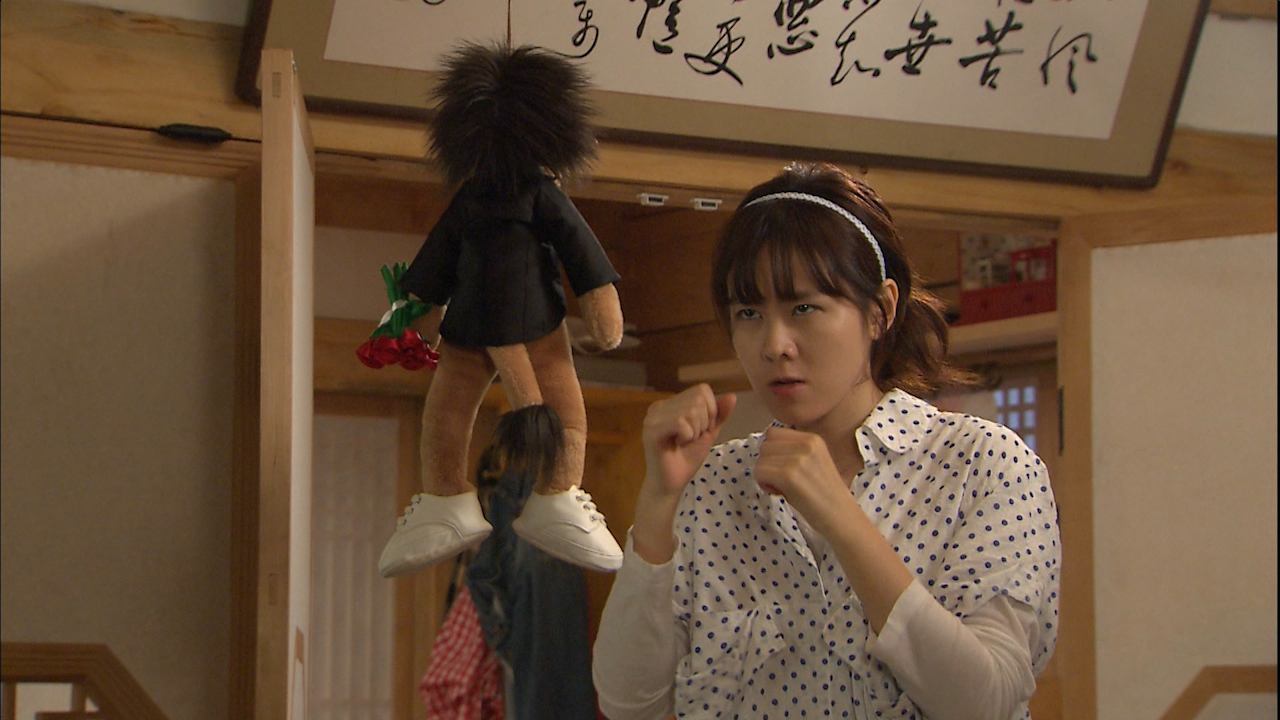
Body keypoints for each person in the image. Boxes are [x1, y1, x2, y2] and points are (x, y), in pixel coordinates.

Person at [592, 163, 1061, 719]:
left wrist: (840, 516)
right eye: (749, 312)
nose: (774, 344)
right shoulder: (713, 483)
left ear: (880, 311)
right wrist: (658, 502)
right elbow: (629, 703)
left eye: (804, 308)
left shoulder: (983, 463)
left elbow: (987, 702)